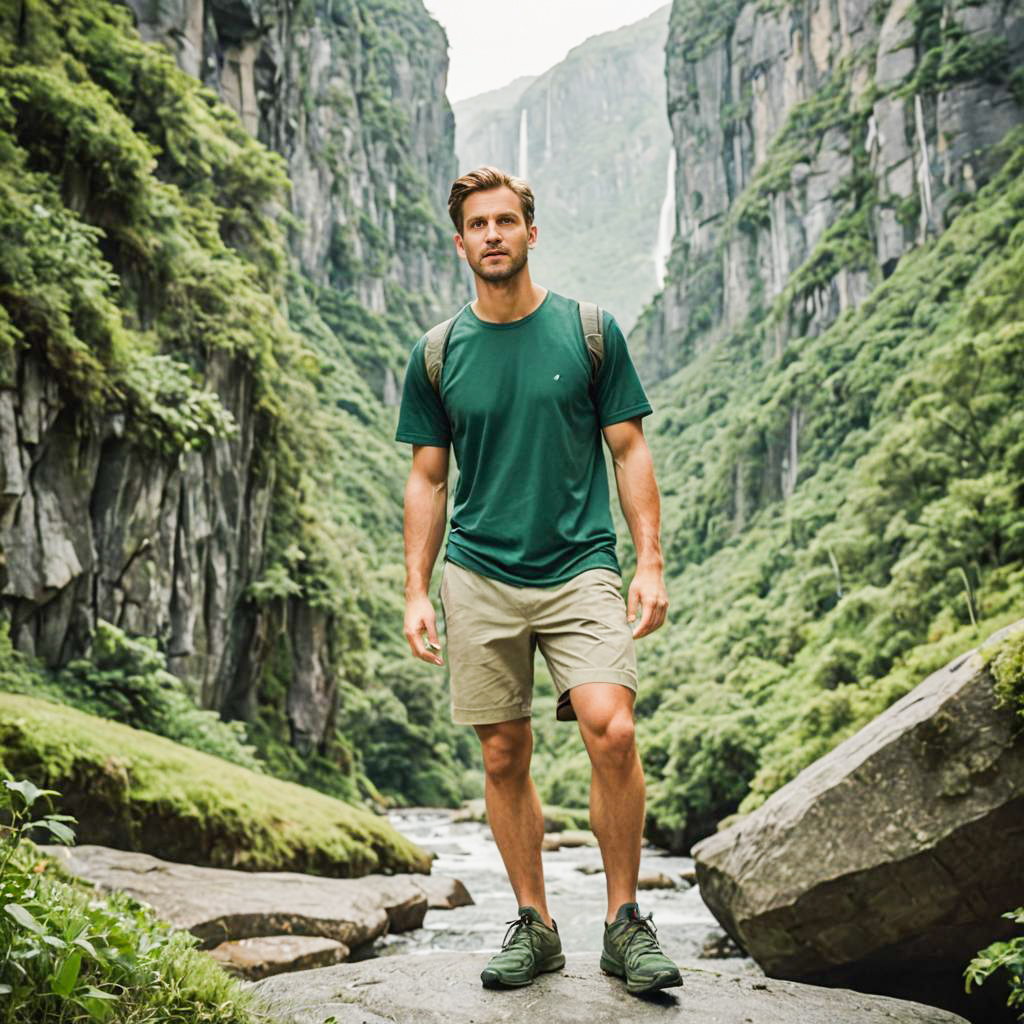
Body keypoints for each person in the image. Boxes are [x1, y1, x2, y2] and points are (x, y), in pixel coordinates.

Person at [395, 166, 681, 996]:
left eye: (505, 221)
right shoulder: (438, 353)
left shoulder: (590, 333)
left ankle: (625, 923)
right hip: (477, 572)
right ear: (460, 242)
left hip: (580, 564)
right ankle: (535, 924)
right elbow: (426, 478)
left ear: (530, 231)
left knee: (612, 728)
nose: (492, 235)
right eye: (477, 225)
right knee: (501, 749)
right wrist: (417, 588)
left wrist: (649, 561)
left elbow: (629, 451)